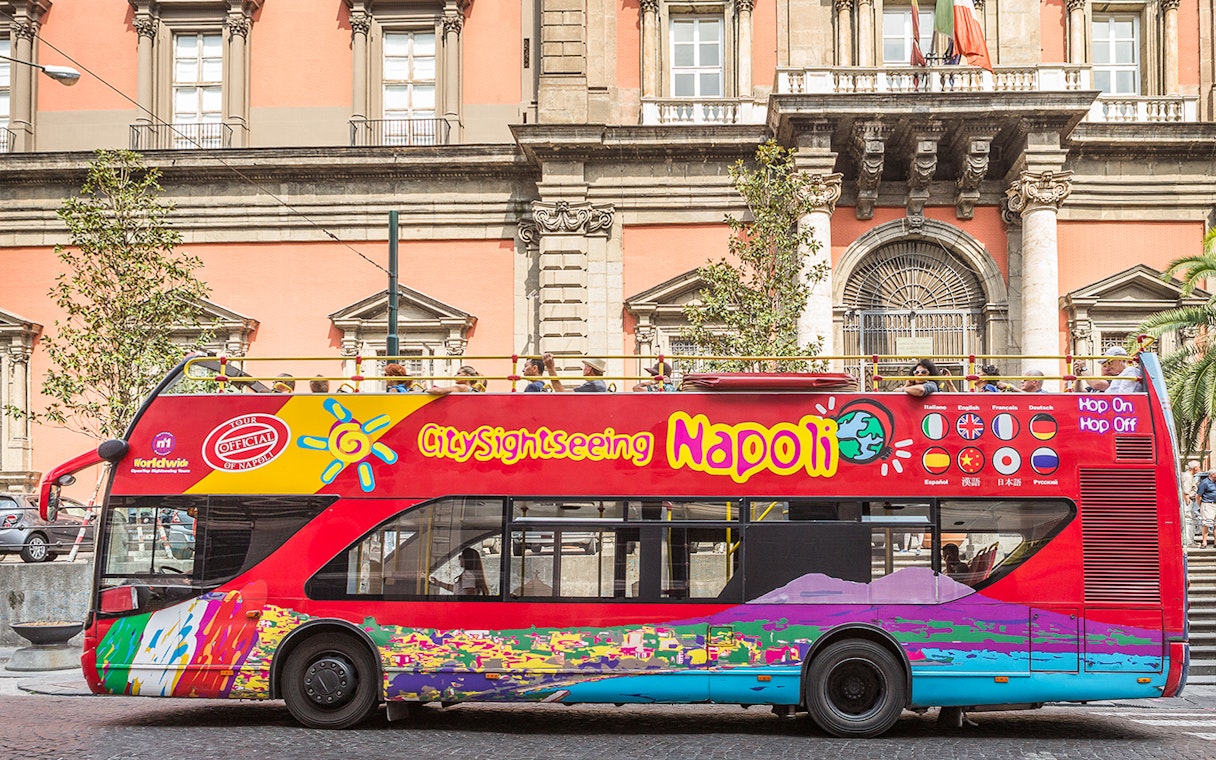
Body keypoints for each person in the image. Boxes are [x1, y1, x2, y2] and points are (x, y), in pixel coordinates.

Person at [1075, 346, 1143, 393]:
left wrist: (1083, 369)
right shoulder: (1117, 378)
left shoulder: (1128, 372)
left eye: (1109, 362)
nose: (1107, 367)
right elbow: (1080, 393)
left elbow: (1097, 384)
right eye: (1104, 365)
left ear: (1120, 359)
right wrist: (1078, 376)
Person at [1183, 460, 1201, 547]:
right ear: (1195, 468)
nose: (1199, 468)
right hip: (1188, 500)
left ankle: (1191, 540)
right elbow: (1186, 491)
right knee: (1188, 520)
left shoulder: (1190, 476)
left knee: (1191, 520)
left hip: (1190, 500)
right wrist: (1187, 501)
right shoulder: (1187, 476)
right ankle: (1189, 542)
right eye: (1199, 466)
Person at [1199, 469, 1216, 549]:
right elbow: (1198, 496)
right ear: (1212, 474)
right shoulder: (1205, 482)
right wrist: (1201, 505)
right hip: (1208, 504)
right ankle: (1204, 542)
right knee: (1206, 524)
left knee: (1215, 524)